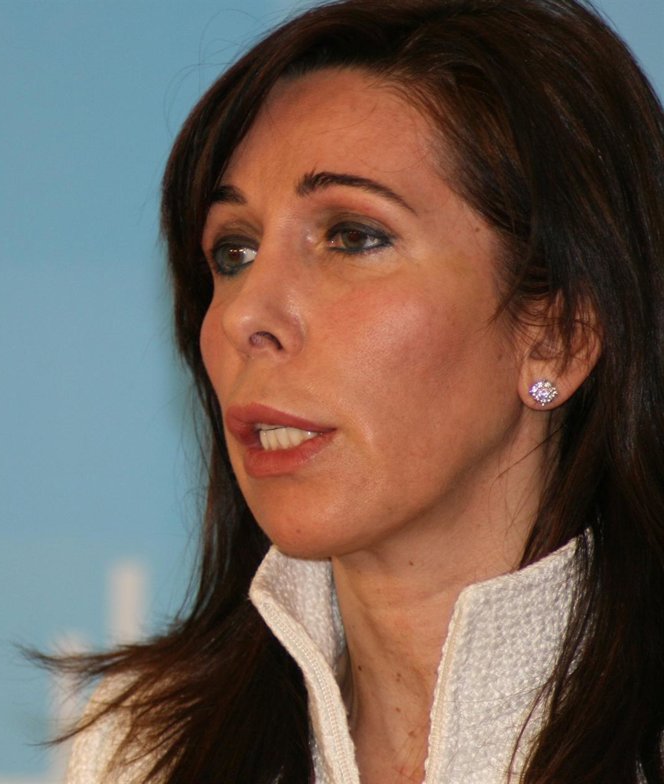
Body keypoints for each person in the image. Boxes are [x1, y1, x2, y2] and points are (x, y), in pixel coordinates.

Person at [46, 0, 664, 781]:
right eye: (233, 252)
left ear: (560, 334)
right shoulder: (141, 753)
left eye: (352, 237)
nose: (244, 315)